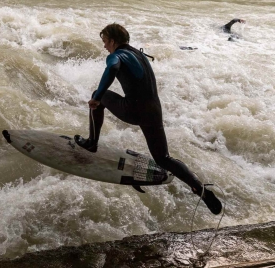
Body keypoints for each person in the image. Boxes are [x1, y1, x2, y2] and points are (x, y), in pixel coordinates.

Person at [74, 23, 222, 215]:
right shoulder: (140, 55)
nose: (104, 46)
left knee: (98, 95)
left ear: (112, 40)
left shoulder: (117, 55)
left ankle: (92, 143)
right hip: (154, 110)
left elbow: (112, 67)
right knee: (163, 158)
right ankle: (199, 189)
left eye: (104, 42)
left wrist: (97, 97)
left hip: (134, 110)